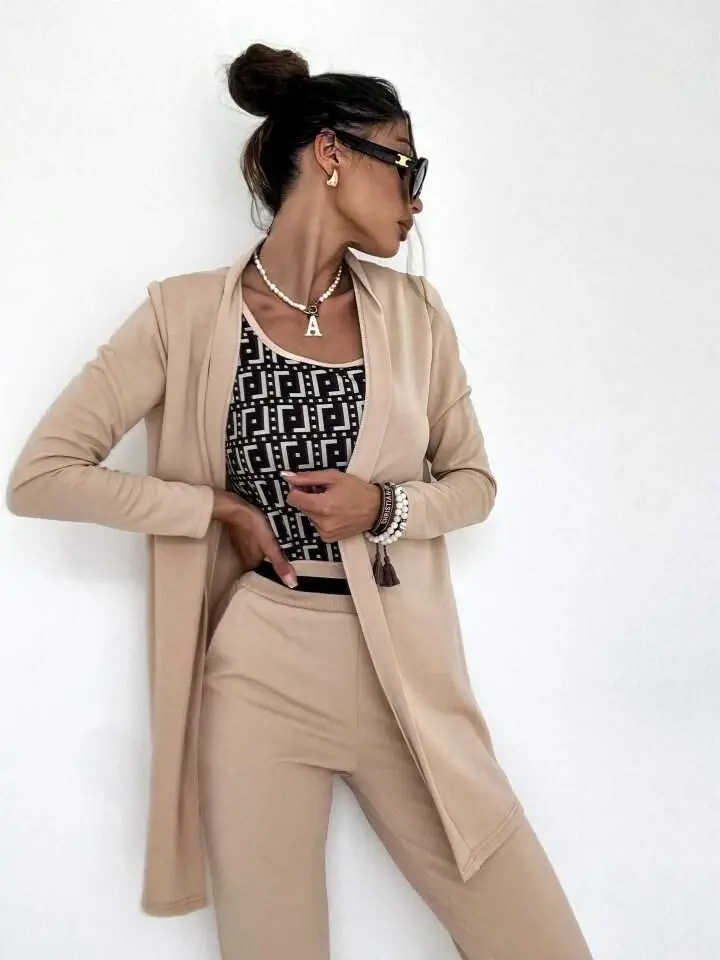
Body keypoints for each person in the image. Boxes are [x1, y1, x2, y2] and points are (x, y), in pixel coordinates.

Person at [6, 42, 594, 960]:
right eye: (406, 166)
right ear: (331, 154)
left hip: (403, 673)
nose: (417, 198)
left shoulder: (417, 315)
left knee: (540, 942)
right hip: (261, 673)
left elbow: (474, 484)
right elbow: (40, 475)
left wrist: (384, 508)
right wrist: (215, 510)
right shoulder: (182, 315)